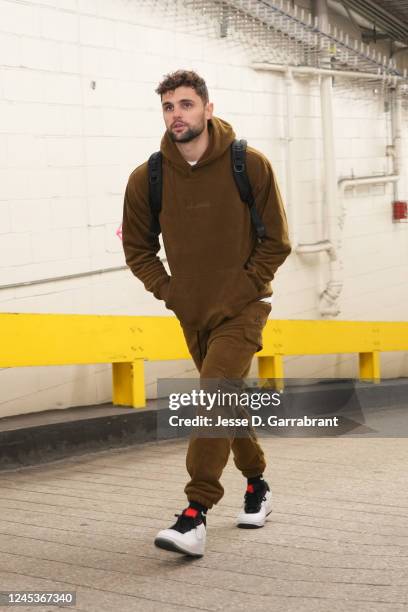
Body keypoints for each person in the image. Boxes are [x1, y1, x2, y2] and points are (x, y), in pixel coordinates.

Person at [122, 69, 291, 557]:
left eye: (187, 104)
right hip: (191, 314)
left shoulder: (248, 164)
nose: (178, 114)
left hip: (243, 308)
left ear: (208, 109)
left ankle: (194, 514)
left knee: (213, 394)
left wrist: (246, 286)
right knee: (227, 401)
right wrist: (170, 292)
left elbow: (277, 241)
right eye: (169, 107)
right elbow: (137, 248)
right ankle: (257, 484)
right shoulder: (148, 177)